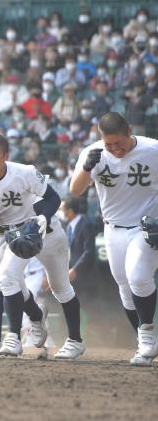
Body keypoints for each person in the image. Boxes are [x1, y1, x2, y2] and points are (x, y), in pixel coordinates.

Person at [0, 133, 84, 360]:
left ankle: (73, 340)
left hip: (36, 230)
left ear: (6, 156)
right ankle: (30, 322)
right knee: (11, 281)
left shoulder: (24, 172)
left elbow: (53, 199)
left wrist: (45, 217)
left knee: (59, 286)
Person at [69, 112, 158, 366]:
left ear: (130, 131)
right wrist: (87, 167)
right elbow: (75, 190)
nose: (115, 149)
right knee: (124, 287)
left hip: (146, 227)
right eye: (109, 144)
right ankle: (144, 343)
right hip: (113, 228)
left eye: (119, 143)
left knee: (138, 275)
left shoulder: (152, 150)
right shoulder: (94, 153)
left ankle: (148, 334)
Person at [60, 197, 96, 302]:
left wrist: (75, 270)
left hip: (86, 280)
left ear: (70, 212)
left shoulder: (86, 225)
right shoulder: (69, 227)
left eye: (62, 209)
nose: (60, 212)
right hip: (73, 282)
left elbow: (89, 252)